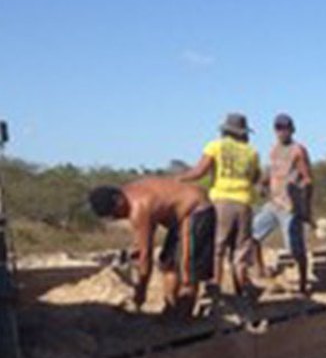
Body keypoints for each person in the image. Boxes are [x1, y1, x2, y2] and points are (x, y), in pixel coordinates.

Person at [88, 179, 216, 317]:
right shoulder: (129, 194)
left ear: (119, 201)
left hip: (197, 208)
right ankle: (170, 308)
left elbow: (146, 255)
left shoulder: (138, 208)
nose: (120, 218)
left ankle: (184, 315)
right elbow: (142, 244)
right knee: (168, 264)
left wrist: (141, 292)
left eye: (116, 214)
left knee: (187, 267)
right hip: (179, 217)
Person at [179, 113, 261, 297]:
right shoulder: (252, 151)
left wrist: (178, 179)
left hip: (221, 200)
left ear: (225, 130)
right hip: (245, 202)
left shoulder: (215, 146)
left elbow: (200, 171)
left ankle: (215, 285)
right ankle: (242, 289)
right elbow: (255, 177)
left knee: (218, 247)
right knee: (240, 250)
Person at [252, 113, 313, 293]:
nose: (282, 132)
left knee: (295, 248)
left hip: (290, 206)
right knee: (252, 237)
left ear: (292, 129)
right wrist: (262, 184)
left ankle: (302, 283)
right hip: (273, 203)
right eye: (278, 128)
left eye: (285, 128)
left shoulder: (298, 151)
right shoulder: (274, 149)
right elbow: (270, 171)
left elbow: (308, 179)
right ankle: (260, 271)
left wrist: (305, 207)